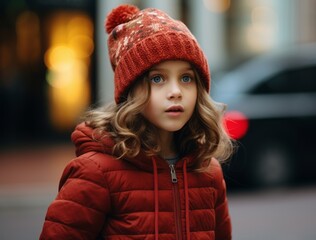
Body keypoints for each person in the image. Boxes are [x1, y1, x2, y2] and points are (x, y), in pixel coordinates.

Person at [40, 4, 234, 240]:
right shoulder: (96, 172)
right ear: (131, 90)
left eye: (186, 78)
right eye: (157, 78)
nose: (175, 91)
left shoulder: (208, 172)